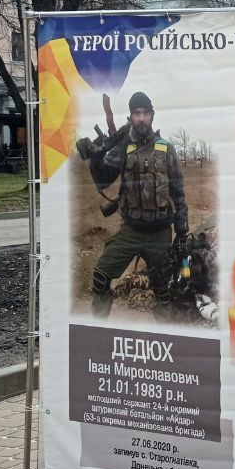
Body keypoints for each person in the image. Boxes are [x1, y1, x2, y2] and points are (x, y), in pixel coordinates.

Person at [87, 92, 188, 317]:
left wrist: (181, 235)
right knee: (101, 277)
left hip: (160, 234)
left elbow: (179, 194)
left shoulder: (166, 148)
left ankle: (167, 338)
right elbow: (104, 178)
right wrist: (95, 158)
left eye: (145, 113)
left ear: (152, 116)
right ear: (131, 117)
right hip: (130, 231)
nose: (141, 118)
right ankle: (97, 332)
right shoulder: (124, 148)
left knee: (164, 292)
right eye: (137, 113)